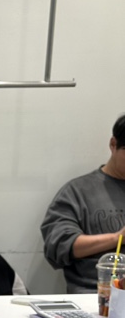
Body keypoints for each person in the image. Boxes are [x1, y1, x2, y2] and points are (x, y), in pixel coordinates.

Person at [41, 114, 125, 293]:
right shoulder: (78, 192)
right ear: (113, 144)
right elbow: (59, 245)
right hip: (97, 295)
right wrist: (117, 238)